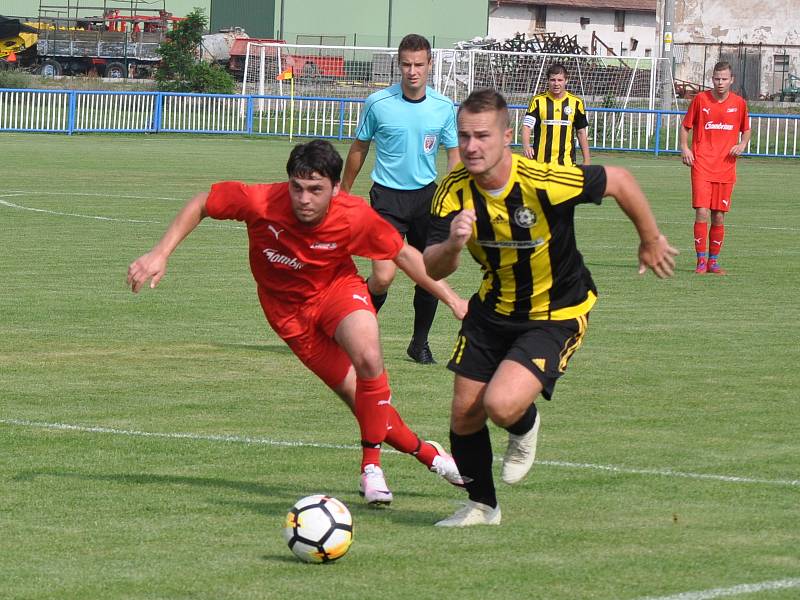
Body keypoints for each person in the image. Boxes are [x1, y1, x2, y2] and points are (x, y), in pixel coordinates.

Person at [127, 139, 467, 506]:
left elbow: (404, 255)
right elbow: (202, 203)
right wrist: (160, 252)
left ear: (335, 189)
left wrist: (453, 300)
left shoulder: (353, 215)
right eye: (297, 188)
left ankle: (371, 468)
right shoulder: (260, 202)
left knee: (369, 356)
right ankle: (431, 456)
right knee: (368, 407)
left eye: (316, 190)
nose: (304, 199)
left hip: (338, 292)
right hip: (290, 318)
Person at [423, 89, 678, 527]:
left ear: (507, 136)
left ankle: (523, 427)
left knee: (501, 406)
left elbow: (619, 180)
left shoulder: (542, 179)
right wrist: (453, 243)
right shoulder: (453, 190)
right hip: (492, 308)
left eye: (482, 135)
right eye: (464, 136)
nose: (471, 146)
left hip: (556, 311)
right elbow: (431, 264)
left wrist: (650, 238)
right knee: (464, 414)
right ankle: (482, 507)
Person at [341, 33, 460, 365]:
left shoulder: (443, 107)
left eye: (419, 65)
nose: (412, 71)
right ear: (399, 65)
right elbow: (359, 147)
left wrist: (450, 195)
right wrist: (343, 193)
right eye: (406, 64)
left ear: (430, 65)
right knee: (383, 276)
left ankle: (419, 344)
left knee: (430, 274)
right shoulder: (378, 103)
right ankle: (358, 333)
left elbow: (454, 153)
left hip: (427, 200)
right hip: (386, 200)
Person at [680, 61, 751, 275]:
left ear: (732, 80)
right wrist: (685, 148)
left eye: (724, 79)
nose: (720, 83)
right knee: (701, 211)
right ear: (712, 79)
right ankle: (701, 261)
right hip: (701, 163)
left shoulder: (739, 104)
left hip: (726, 167)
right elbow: (685, 127)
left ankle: (713, 261)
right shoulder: (701, 100)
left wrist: (742, 144)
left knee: (718, 215)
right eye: (716, 79)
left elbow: (746, 130)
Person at [521, 63, 591, 166]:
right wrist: (526, 146)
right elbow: (527, 126)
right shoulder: (537, 101)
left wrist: (587, 160)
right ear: (548, 81)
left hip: (566, 163)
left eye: (560, 80)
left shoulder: (576, 102)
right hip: (541, 163)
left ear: (566, 80)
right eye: (553, 80)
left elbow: (581, 132)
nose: (556, 83)